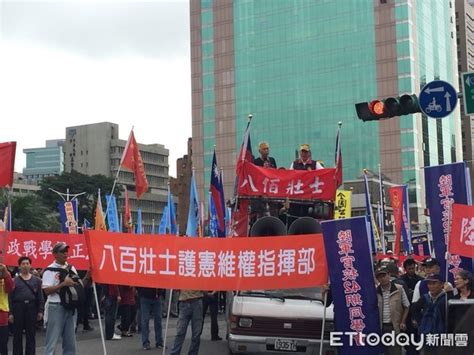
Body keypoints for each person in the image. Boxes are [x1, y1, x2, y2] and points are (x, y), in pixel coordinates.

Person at [42, 242, 79, 355]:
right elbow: (47, 291)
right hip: (55, 306)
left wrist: (87, 276)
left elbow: (78, 285)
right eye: (62, 251)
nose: (65, 254)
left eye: (66, 251)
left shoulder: (71, 268)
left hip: (70, 307)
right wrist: (63, 284)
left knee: (70, 342)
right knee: (52, 341)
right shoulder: (49, 270)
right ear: (55, 254)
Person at [9, 256, 44, 355]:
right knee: (17, 335)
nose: (25, 266)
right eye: (23, 264)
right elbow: (10, 298)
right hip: (18, 308)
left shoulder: (36, 280)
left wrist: (40, 311)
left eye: (27, 263)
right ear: (19, 266)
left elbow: (40, 296)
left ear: (30, 265)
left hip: (32, 308)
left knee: (31, 335)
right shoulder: (14, 280)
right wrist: (10, 313)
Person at [375, 266, 410, 355]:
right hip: (381, 327)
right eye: (379, 276)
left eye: (384, 275)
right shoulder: (376, 291)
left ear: (389, 275)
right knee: (384, 351)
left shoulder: (399, 289)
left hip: (394, 326)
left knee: (395, 351)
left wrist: (402, 322)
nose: (382, 278)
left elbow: (406, 306)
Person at [411, 273, 447, 355]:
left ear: (441, 284)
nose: (431, 286)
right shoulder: (424, 297)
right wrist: (420, 322)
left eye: (434, 283)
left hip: (441, 336)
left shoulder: (446, 298)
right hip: (425, 335)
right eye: (429, 283)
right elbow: (414, 309)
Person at [170, 290, 204, 355]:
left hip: (195, 301)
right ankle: (174, 353)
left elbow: (205, 286)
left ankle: (191, 353)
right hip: (185, 301)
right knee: (181, 332)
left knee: (196, 334)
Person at [0, 263, 14, 355]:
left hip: (2, 313)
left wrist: (6, 274)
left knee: (3, 342)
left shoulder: (4, 272)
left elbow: (9, 289)